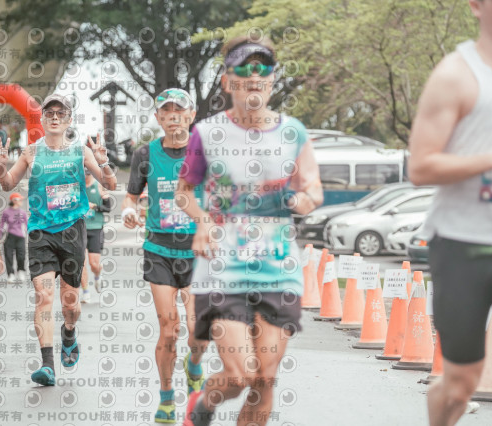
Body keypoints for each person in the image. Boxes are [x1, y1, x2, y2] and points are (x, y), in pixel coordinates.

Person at [176, 36, 323, 426]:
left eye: (263, 68)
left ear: (272, 80)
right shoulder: (206, 133)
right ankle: (205, 403)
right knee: (241, 375)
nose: (254, 75)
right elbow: (184, 192)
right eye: (244, 68)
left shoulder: (293, 133)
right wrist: (203, 220)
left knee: (265, 378)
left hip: (278, 270)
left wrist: (296, 200)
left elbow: (313, 191)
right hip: (222, 270)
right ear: (228, 81)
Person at [407, 1, 492, 425]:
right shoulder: (456, 75)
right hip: (462, 245)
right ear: (477, 5)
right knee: (460, 383)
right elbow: (420, 167)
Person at [0, 93, 117, 386]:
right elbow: (8, 184)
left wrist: (104, 163)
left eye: (60, 113)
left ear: (69, 120)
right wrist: (0, 166)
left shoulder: (80, 151)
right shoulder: (31, 152)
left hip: (72, 231)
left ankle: (69, 332)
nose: (54, 117)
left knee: (70, 304)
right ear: (42, 118)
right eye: (49, 113)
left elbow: (110, 184)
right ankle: (47, 365)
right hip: (40, 232)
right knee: (44, 296)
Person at [121, 88, 208, 424]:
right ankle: (167, 396)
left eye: (179, 110)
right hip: (158, 250)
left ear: (191, 115)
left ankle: (194, 364)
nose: (173, 116)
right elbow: (131, 197)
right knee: (169, 329)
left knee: (196, 329)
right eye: (166, 111)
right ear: (158, 117)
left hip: (196, 252)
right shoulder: (145, 154)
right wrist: (129, 211)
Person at [79, 168, 111, 303]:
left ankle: (98, 275)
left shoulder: (99, 186)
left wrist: (95, 207)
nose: (86, 177)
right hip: (81, 229)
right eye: (84, 174)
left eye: (88, 174)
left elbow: (108, 208)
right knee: (81, 263)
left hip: (96, 228)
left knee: (94, 263)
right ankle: (85, 292)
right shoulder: (78, 187)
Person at [0, 192, 28, 283]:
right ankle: (11, 274)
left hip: (20, 237)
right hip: (10, 237)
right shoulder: (6, 212)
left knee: (21, 256)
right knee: (9, 256)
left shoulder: (22, 213)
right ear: (14, 201)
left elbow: (27, 225)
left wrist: (32, 235)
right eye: (20, 200)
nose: (21, 201)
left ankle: (21, 271)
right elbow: (2, 225)